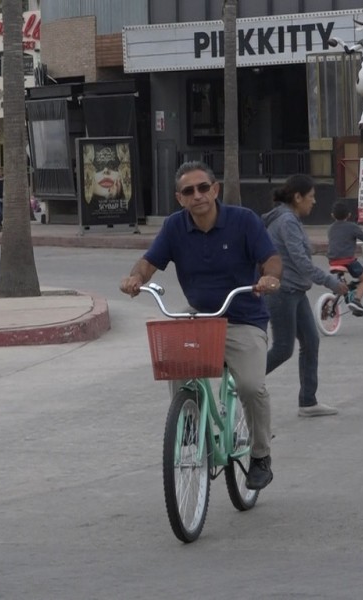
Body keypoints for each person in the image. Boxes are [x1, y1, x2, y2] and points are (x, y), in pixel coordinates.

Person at [120, 161, 283, 491]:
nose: (198, 196)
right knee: (175, 358)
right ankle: (192, 424)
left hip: (244, 319)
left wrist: (269, 277)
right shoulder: (174, 227)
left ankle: (261, 455)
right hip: (200, 313)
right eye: (189, 191)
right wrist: (136, 278)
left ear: (215, 189)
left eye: (203, 188)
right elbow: (150, 262)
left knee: (251, 386)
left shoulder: (243, 221)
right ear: (180, 198)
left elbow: (271, 258)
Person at [262, 175, 349, 418]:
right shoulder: (287, 220)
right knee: (283, 348)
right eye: (310, 197)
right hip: (282, 292)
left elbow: (299, 254)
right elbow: (300, 262)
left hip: (296, 291)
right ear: (297, 197)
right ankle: (243, 384)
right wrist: (331, 281)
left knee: (311, 341)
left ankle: (308, 402)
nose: (314, 202)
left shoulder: (289, 218)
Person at [327, 200, 363, 315]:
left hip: (333, 261)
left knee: (348, 281)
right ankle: (356, 301)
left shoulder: (330, 228)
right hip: (347, 261)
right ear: (349, 215)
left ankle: (345, 294)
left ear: (332, 215)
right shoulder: (352, 227)